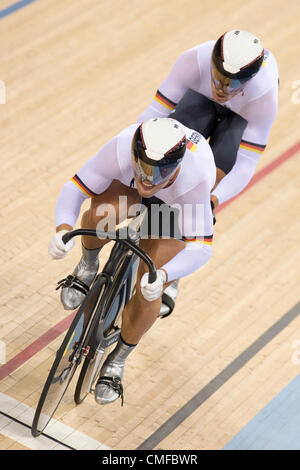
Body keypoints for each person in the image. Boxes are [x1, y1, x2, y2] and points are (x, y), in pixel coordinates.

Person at [48, 117, 215, 405]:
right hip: (130, 191)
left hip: (172, 208)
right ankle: (87, 268)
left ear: (177, 166)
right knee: (102, 216)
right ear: (135, 152)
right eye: (143, 166)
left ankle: (117, 361)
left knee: (149, 285)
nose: (149, 177)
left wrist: (163, 276)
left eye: (160, 170)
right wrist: (64, 229)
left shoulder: (195, 175)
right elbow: (75, 188)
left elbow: (201, 247)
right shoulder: (122, 146)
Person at [138, 29, 279, 314]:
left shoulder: (264, 95)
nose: (223, 87)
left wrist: (213, 199)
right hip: (200, 99)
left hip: (241, 115)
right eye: (219, 76)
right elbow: (153, 116)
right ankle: (158, 226)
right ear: (212, 62)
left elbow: (246, 163)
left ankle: (175, 256)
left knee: (211, 177)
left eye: (234, 82)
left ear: (249, 80)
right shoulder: (195, 60)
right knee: (172, 146)